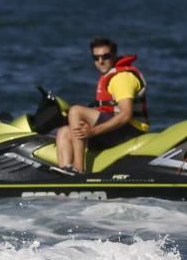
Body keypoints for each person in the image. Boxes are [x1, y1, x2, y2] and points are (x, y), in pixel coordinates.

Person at [54, 37, 150, 174]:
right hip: (116, 130)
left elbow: (126, 114)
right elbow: (106, 111)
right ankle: (66, 174)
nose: (101, 61)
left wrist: (92, 131)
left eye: (106, 56)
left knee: (76, 111)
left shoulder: (122, 78)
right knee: (64, 132)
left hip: (131, 130)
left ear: (114, 55)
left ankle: (78, 170)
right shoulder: (110, 76)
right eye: (96, 57)